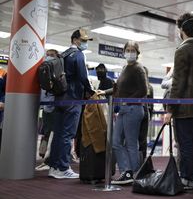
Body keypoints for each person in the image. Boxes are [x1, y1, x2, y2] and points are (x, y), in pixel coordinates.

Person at [163, 13, 193, 191]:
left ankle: (187, 179)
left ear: (182, 30)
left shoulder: (182, 50)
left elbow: (178, 82)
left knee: (185, 145)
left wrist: (170, 109)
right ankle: (190, 177)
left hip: (184, 108)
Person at [98, 41, 147, 185]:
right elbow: (118, 87)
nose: (130, 52)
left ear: (137, 53)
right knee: (115, 142)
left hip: (133, 109)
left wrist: (127, 100)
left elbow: (143, 90)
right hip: (125, 109)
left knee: (131, 143)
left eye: (133, 50)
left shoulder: (139, 68)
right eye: (128, 50)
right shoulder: (126, 67)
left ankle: (134, 174)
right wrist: (105, 92)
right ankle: (127, 171)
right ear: (124, 51)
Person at [48, 29, 95, 179]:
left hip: (60, 98)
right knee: (68, 134)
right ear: (75, 40)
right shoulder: (79, 55)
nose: (85, 43)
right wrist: (91, 91)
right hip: (73, 98)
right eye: (83, 40)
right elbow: (82, 76)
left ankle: (53, 167)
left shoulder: (64, 54)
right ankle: (63, 168)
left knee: (58, 133)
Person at [35, 49, 58, 171]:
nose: (48, 57)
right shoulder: (44, 71)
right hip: (45, 107)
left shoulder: (57, 71)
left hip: (54, 107)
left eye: (52, 55)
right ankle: (44, 157)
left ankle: (50, 160)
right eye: (47, 55)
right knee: (46, 132)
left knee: (53, 133)